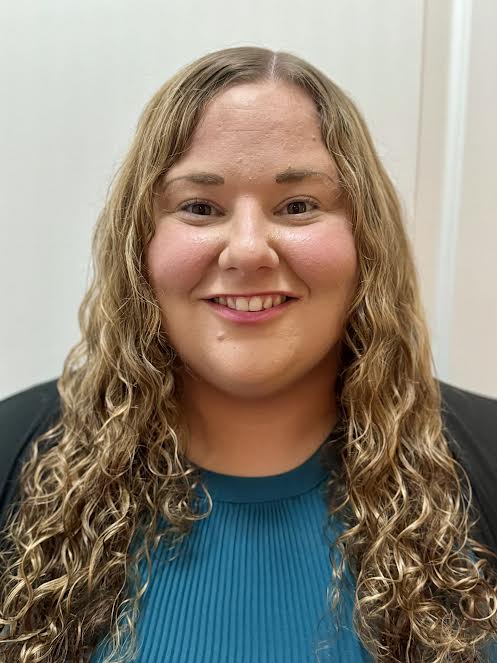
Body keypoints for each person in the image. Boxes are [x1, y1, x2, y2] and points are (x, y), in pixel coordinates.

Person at [0, 46, 496, 663]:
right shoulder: (11, 452)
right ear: (139, 246)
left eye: (298, 206)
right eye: (200, 207)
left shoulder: (486, 455)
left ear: (366, 240)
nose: (248, 250)